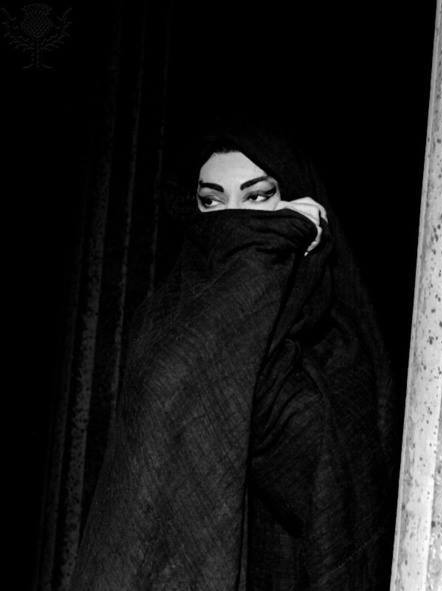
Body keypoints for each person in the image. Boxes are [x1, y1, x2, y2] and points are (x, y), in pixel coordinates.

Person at [69, 117, 399, 590]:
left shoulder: (338, 349)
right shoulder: (165, 326)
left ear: (302, 210)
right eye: (211, 202)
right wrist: (260, 260)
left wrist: (267, 261)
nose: (233, 218)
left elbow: (334, 503)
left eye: (258, 196)